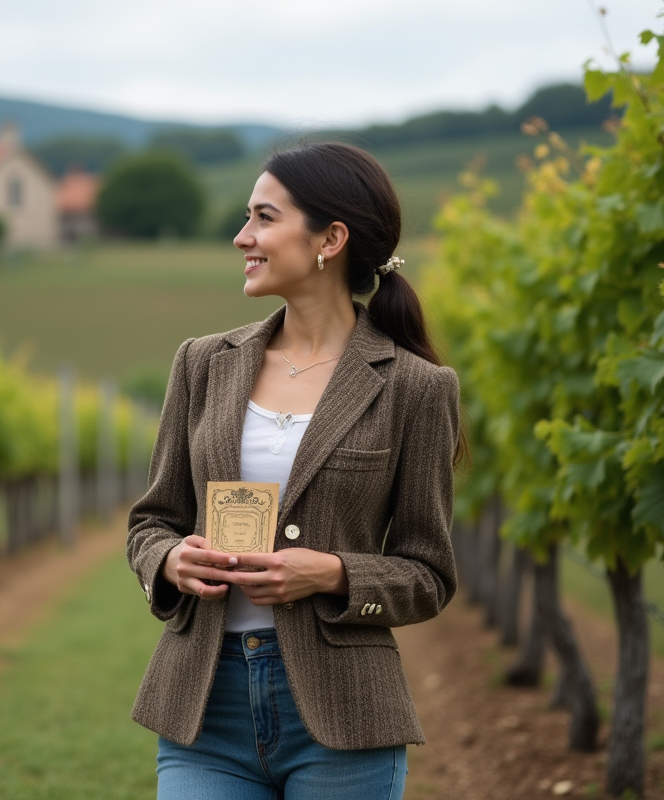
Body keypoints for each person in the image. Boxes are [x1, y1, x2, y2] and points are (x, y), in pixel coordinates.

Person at [126, 141, 464, 800]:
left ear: (329, 238)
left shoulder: (417, 388)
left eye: (263, 217)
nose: (241, 236)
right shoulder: (201, 362)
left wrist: (333, 573)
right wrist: (169, 561)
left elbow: (429, 573)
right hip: (205, 706)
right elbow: (151, 522)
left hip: (344, 713)